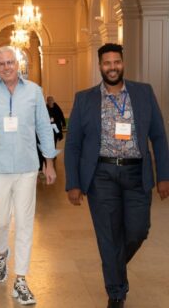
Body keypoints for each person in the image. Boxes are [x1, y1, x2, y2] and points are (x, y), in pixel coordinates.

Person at [64, 43, 169, 308]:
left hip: (136, 173)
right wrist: (73, 183)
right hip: (101, 175)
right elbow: (74, 143)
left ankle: (113, 263)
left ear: (123, 63)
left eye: (117, 62)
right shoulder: (84, 98)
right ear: (100, 66)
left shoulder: (143, 93)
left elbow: (158, 136)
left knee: (138, 231)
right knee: (108, 235)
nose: (113, 67)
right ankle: (116, 292)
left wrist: (163, 176)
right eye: (107, 63)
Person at [0, 46, 57, 305]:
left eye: (10, 62)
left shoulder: (35, 92)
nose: (6, 67)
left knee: (25, 222)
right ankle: (0, 254)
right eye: (1, 63)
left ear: (18, 64)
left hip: (28, 167)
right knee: (0, 219)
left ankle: (20, 280)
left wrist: (48, 163)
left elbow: (44, 127)